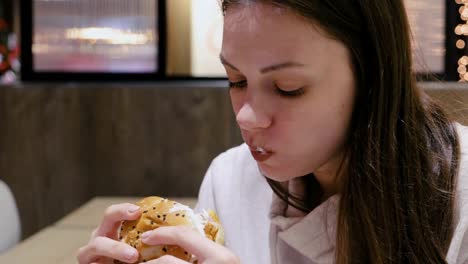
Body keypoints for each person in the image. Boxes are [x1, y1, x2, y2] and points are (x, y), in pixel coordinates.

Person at [77, 0, 468, 263]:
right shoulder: (230, 180)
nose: (247, 117)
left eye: (287, 88)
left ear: (372, 75)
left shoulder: (460, 193)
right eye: (235, 80)